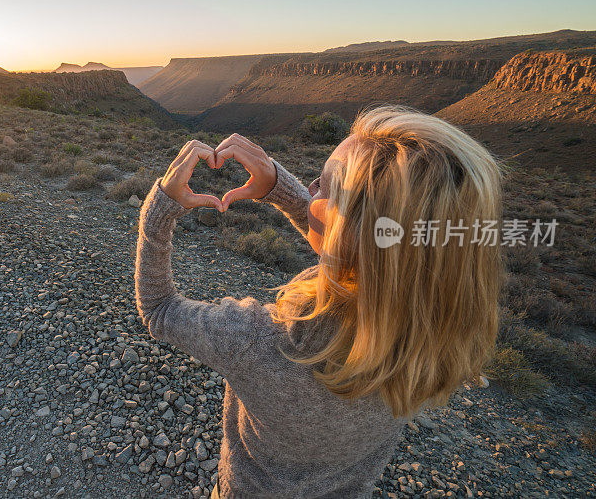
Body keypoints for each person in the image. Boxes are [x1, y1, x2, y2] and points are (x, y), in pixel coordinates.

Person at [134, 105, 503, 498]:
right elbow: (372, 258)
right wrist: (278, 186)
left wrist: (160, 211)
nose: (309, 188)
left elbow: (158, 309)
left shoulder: (257, 339)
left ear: (348, 230)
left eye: (324, 187)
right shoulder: (437, 337)